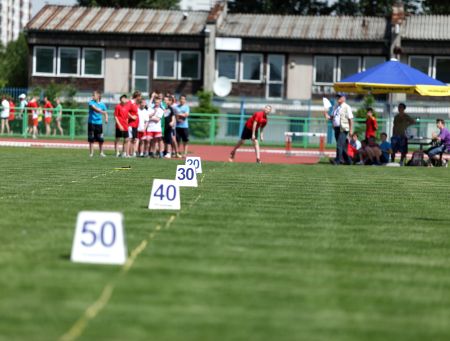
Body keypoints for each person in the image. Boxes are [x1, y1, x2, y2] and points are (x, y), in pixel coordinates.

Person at [326, 93, 353, 165]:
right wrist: (327, 116)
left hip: (343, 128)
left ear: (344, 98)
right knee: (343, 146)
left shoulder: (347, 107)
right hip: (337, 128)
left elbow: (350, 119)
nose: (338, 98)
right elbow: (332, 117)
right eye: (338, 97)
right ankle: (348, 161)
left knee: (339, 145)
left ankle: (337, 160)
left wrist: (351, 130)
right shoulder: (336, 107)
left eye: (340, 97)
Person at [88, 90, 108, 157]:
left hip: (99, 123)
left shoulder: (102, 104)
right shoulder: (91, 102)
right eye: (92, 95)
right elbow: (94, 109)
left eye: (94, 95)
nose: (92, 96)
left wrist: (106, 118)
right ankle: (91, 153)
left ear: (98, 96)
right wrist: (102, 112)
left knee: (100, 138)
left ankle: (101, 153)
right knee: (91, 138)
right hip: (91, 123)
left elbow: (106, 112)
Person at [127, 91, 141, 157]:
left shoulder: (136, 103)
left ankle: (132, 153)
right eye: (140, 96)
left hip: (135, 124)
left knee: (134, 139)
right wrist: (131, 116)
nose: (140, 98)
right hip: (131, 124)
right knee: (130, 139)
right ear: (137, 96)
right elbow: (126, 111)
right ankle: (127, 153)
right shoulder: (130, 102)